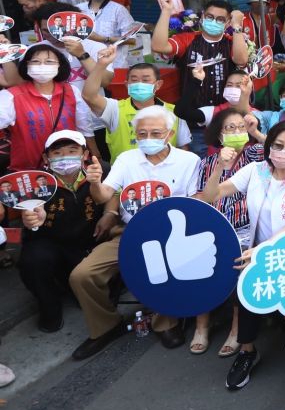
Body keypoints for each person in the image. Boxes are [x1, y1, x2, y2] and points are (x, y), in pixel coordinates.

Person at [70, 106, 199, 359]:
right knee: (82, 275)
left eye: (155, 132)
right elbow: (104, 195)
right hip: (130, 231)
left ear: (170, 133)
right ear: (135, 135)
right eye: (142, 133)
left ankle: (166, 322)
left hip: (170, 234)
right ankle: (105, 326)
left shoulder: (189, 161)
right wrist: (95, 182)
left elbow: (195, 202)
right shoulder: (127, 159)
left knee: (162, 267)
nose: (148, 138)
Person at [205, 120, 285, 391]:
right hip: (259, 249)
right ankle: (247, 351)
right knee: (247, 286)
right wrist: (219, 168)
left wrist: (261, 250)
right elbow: (212, 195)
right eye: (278, 145)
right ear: (269, 147)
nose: (283, 152)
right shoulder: (255, 171)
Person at [191, 107, 264, 357]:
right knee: (197, 263)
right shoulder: (207, 162)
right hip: (213, 225)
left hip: (245, 228)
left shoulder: (255, 155)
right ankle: (201, 325)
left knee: (238, 266)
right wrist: (220, 166)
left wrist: (256, 132)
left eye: (240, 127)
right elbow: (204, 197)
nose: (236, 132)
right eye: (229, 128)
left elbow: (280, 147)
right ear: (219, 134)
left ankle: (236, 328)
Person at [17, 131, 102, 333]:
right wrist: (32, 221)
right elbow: (29, 217)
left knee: (102, 287)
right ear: (47, 158)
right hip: (50, 242)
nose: (65, 158)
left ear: (84, 154)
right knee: (33, 261)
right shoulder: (35, 184)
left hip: (87, 243)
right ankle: (49, 308)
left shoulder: (100, 172)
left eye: (73, 151)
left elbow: (113, 198)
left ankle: (75, 288)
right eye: (57, 153)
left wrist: (109, 213)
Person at [152, 0, 250, 154]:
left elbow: (241, 60)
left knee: (228, 167)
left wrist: (237, 26)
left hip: (226, 122)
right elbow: (158, 46)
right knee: (200, 168)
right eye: (210, 17)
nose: (213, 21)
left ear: (226, 23)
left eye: (220, 19)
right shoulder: (188, 39)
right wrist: (166, 12)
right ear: (203, 16)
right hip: (193, 121)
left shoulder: (231, 42)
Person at [83, 49, 192, 157]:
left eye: (145, 80)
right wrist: (101, 65)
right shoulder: (115, 109)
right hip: (125, 173)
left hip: (165, 172)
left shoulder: (175, 112)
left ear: (158, 84)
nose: (139, 84)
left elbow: (183, 148)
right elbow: (89, 96)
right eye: (134, 80)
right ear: (127, 85)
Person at [0, 44, 94, 169]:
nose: (42, 66)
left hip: (70, 167)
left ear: (59, 65)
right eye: (36, 61)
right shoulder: (10, 96)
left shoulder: (71, 91)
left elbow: (84, 127)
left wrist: (95, 154)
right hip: (30, 170)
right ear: (26, 65)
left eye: (49, 61)